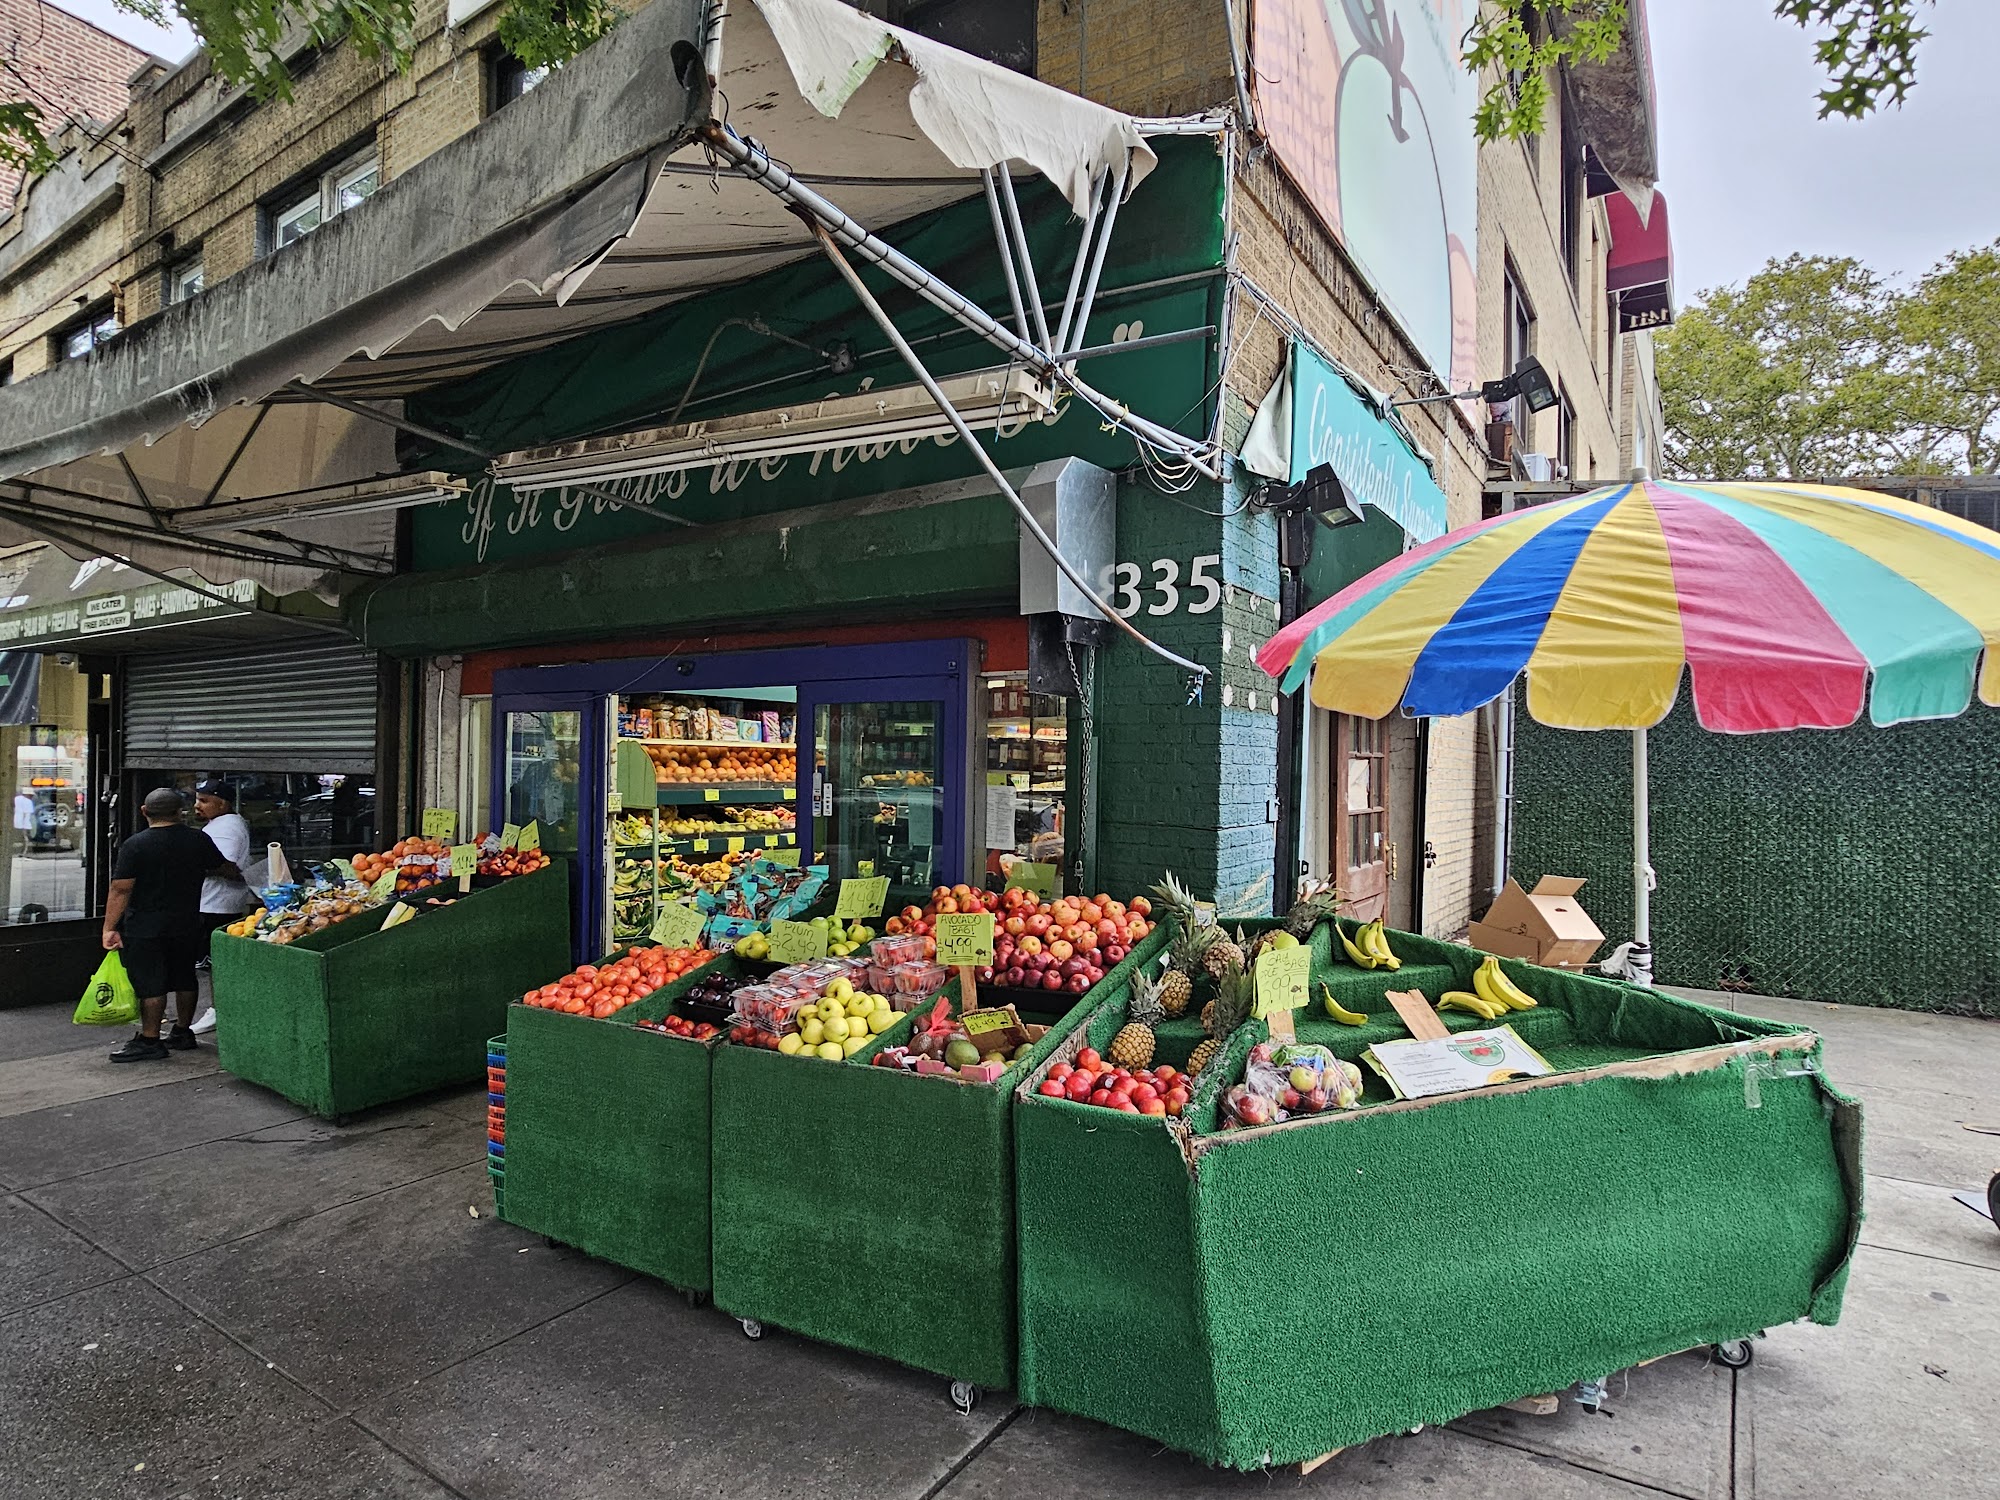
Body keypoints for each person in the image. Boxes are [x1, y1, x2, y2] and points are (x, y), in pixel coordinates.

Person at [101, 787, 241, 1063]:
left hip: (146, 924)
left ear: (144, 812)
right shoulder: (198, 840)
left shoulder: (136, 845)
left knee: (152, 983)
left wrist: (109, 927)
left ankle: (151, 1039)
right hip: (187, 920)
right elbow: (227, 868)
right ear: (180, 812)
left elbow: (120, 889)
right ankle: (182, 1032)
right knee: (184, 976)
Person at [189, 779, 255, 1036]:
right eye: (197, 799)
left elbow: (225, 866)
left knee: (215, 964)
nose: (197, 806)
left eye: (204, 800)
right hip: (212, 902)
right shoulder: (218, 825)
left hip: (217, 906)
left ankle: (218, 1011)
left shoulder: (227, 827)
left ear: (222, 803)